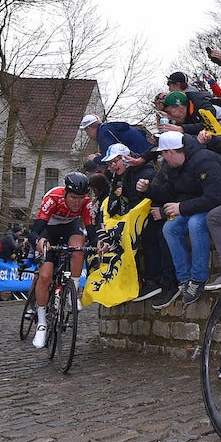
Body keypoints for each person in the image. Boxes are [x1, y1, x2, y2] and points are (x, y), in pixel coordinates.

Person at [136, 132, 221, 308]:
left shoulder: (204, 160)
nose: (162, 158)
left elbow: (215, 197)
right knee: (169, 229)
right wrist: (148, 190)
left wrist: (180, 208)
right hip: (200, 203)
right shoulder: (174, 167)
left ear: (171, 151)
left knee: (195, 223)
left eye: (163, 154)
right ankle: (184, 279)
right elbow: (169, 193)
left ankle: (198, 278)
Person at [101, 142, 176, 304]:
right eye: (109, 164)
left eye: (115, 162)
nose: (112, 167)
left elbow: (160, 193)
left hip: (160, 214)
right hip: (143, 218)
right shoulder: (124, 176)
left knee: (155, 236)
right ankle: (148, 280)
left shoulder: (146, 172)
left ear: (126, 158)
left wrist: (160, 211)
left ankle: (164, 282)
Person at [27, 172, 95, 348]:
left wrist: (99, 243)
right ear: (65, 192)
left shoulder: (86, 202)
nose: (76, 202)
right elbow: (34, 232)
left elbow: (92, 231)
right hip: (48, 229)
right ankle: (42, 324)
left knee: (79, 248)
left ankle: (72, 288)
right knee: (45, 276)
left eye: (80, 198)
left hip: (70, 227)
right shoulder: (53, 198)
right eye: (73, 197)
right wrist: (40, 241)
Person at [79, 114, 151, 159]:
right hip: (147, 154)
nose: (88, 135)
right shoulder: (109, 128)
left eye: (86, 131)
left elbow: (110, 160)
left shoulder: (103, 133)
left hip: (141, 159)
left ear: (89, 128)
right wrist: (101, 155)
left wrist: (95, 158)